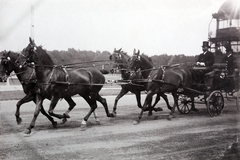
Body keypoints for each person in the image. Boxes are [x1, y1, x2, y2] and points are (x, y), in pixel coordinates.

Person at [192, 41, 215, 112]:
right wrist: (198, 63)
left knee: (200, 72)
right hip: (201, 68)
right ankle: (194, 82)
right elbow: (197, 61)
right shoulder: (201, 55)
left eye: (204, 47)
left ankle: (201, 83)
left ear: (207, 48)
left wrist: (203, 64)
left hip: (208, 68)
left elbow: (211, 62)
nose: (203, 48)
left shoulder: (211, 54)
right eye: (203, 47)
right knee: (193, 71)